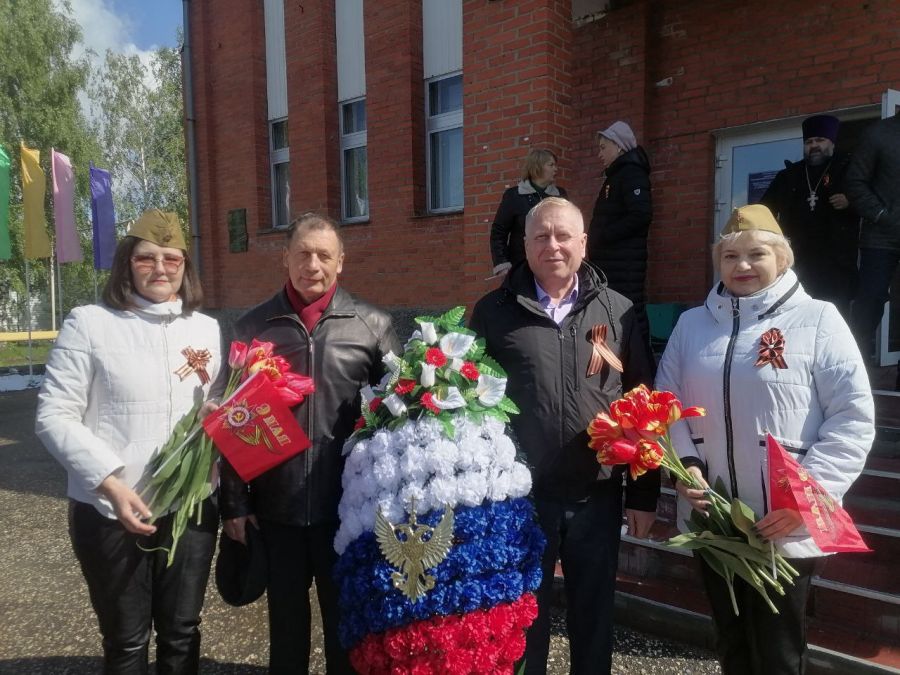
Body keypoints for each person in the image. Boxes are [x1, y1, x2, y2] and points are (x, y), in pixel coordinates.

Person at [655, 204, 874, 675]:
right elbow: (666, 405)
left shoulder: (818, 320)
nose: (743, 266)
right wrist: (685, 466)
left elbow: (852, 418)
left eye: (756, 254)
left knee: (779, 653)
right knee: (731, 642)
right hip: (715, 519)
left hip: (783, 523)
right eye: (730, 256)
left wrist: (806, 498)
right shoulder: (692, 325)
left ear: (782, 258)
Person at [470, 197, 658, 675]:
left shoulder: (620, 311)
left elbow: (642, 400)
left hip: (596, 494)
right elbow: (472, 405)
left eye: (562, 235)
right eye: (540, 236)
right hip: (522, 498)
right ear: (525, 245)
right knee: (521, 617)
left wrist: (643, 492)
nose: (552, 245)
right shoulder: (493, 312)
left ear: (583, 243)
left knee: (593, 615)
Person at [35, 209, 222, 674]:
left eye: (172, 259)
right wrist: (112, 483)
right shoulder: (89, 323)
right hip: (111, 513)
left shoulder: (205, 328)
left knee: (182, 633)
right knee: (127, 640)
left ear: (185, 267)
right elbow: (54, 415)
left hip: (190, 509)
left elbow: (215, 408)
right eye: (146, 258)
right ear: (126, 263)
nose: (160, 269)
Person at [219, 213, 401, 675]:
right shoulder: (253, 328)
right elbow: (234, 421)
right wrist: (235, 505)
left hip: (346, 511)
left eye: (324, 255)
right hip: (276, 511)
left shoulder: (373, 325)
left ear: (341, 262)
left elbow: (399, 421)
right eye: (303, 253)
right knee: (286, 632)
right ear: (285, 257)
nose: (312, 265)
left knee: (348, 630)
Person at [759, 114, 858, 317]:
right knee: (794, 314)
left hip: (836, 261)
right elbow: (764, 209)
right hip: (797, 259)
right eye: (809, 142)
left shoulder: (848, 169)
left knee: (834, 316)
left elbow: (869, 200)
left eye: (820, 140)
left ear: (831, 143)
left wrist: (851, 202)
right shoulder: (789, 175)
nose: (814, 146)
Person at [587, 121, 653, 355]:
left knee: (629, 315)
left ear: (619, 146)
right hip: (613, 263)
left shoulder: (631, 174)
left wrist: (603, 236)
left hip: (625, 265)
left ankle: (642, 372)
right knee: (616, 314)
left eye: (604, 147)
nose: (600, 153)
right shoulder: (616, 175)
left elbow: (641, 215)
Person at [845, 111, 900, 365]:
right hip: (880, 238)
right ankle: (855, 370)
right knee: (871, 301)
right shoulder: (879, 133)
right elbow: (855, 182)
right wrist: (882, 215)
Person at [489, 148, 567, 276]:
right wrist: (502, 263)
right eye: (551, 165)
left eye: (555, 165)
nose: (556, 169)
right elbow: (499, 231)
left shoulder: (561, 195)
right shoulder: (514, 196)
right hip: (521, 268)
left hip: (553, 264)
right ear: (537, 167)